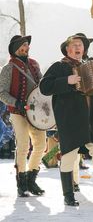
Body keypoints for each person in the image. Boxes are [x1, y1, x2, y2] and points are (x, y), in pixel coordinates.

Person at [39, 33, 93, 207]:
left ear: (84, 49)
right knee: (69, 156)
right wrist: (67, 80)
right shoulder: (59, 67)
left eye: (81, 45)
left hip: (92, 118)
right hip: (70, 119)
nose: (78, 47)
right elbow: (44, 87)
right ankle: (68, 195)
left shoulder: (92, 67)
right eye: (74, 44)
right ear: (67, 49)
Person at [0, 35, 46, 197]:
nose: (25, 47)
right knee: (23, 145)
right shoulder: (8, 68)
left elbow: (42, 85)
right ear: (14, 49)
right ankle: (21, 182)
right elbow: (1, 93)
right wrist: (17, 103)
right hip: (18, 112)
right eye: (21, 45)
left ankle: (31, 178)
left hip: (36, 112)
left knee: (41, 144)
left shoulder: (34, 64)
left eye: (26, 45)